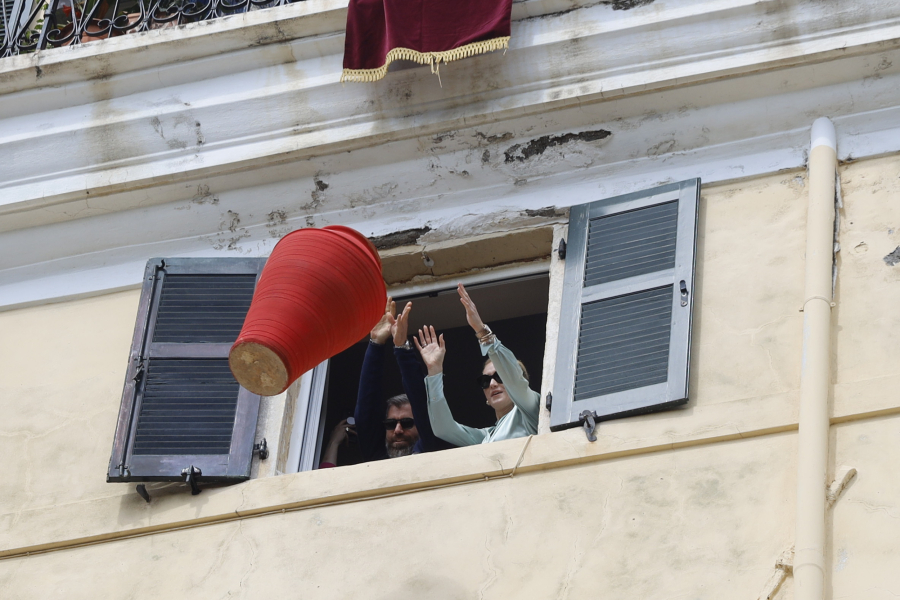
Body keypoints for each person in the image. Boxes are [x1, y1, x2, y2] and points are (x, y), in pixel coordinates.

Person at [321, 297, 453, 468]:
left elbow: (421, 402)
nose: (397, 430)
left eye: (406, 423)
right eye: (391, 424)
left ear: (420, 423)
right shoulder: (377, 458)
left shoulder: (433, 449)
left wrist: (402, 348)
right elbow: (365, 412)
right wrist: (376, 343)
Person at [416, 283, 540, 446]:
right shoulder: (485, 437)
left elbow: (515, 381)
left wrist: (481, 331)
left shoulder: (532, 411)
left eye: (499, 376)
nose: (492, 384)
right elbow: (443, 429)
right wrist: (434, 371)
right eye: (485, 381)